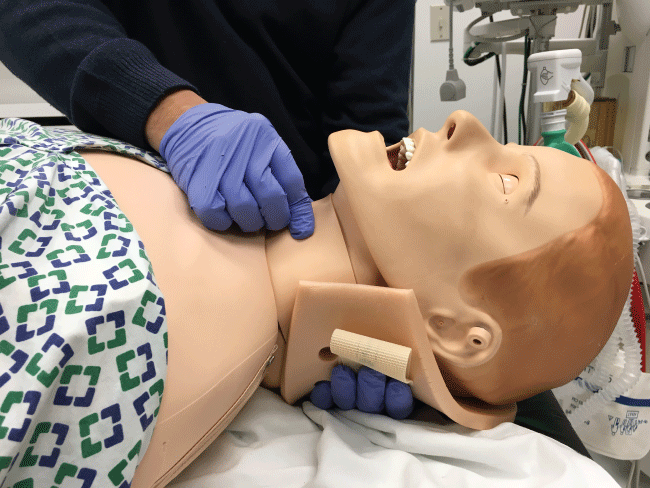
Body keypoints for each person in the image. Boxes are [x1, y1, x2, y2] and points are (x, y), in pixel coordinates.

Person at [0, 110, 632, 487]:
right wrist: (166, 109)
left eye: (507, 179)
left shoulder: (119, 321)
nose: (464, 122)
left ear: (453, 330)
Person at [0, 0, 415, 239]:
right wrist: (172, 113)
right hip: (141, 206)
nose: (449, 125)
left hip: (294, 219)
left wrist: (362, 265)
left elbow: (369, 123)